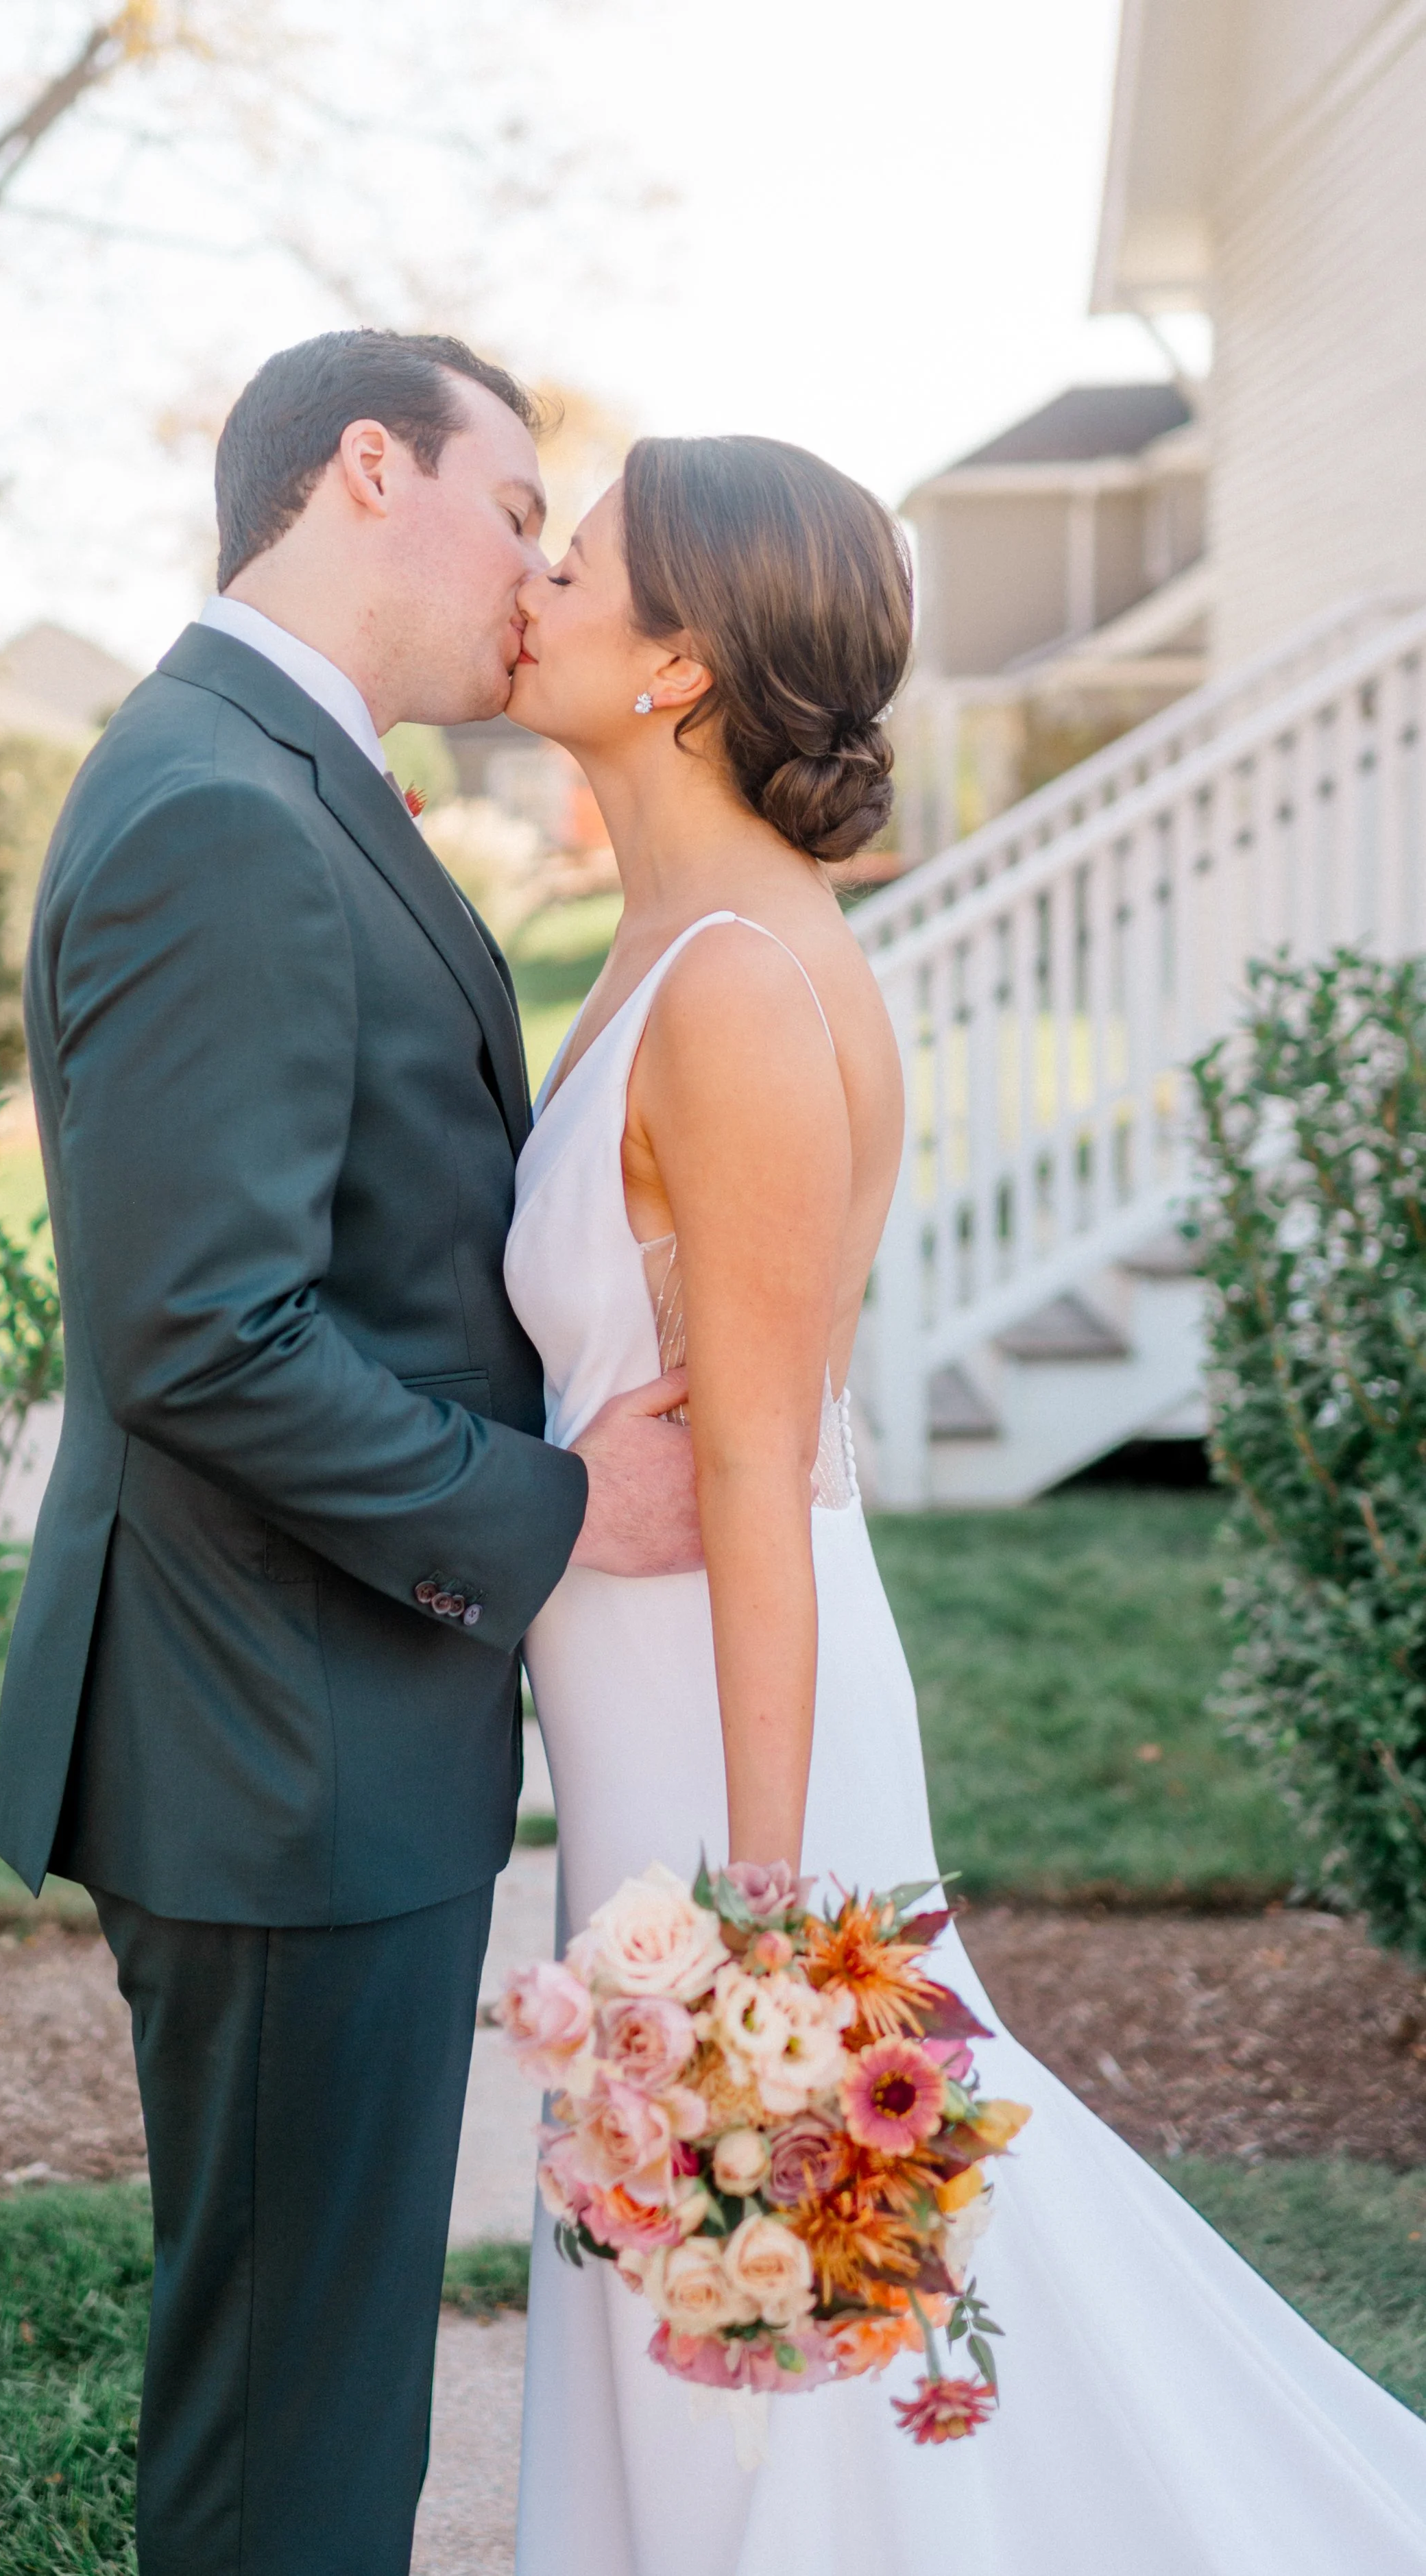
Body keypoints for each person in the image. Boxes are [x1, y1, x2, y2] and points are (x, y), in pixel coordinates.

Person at [503, 433, 1426, 2573]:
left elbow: (749, 1453)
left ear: (679, 666)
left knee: (791, 2225)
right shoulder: (673, 934)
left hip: (734, 1715)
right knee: (728, 2250)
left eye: (581, 558)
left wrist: (761, 1910)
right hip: (656, 1678)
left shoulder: (737, 983)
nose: (534, 580)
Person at [0, 330, 700, 2576]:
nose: (530, 566)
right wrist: (557, 1513)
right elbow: (203, 1332)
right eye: (515, 506)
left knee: (313, 2381)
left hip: (295, 1721)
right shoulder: (222, 802)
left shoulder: (276, 772)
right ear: (365, 469)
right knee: (293, 2419)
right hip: (266, 1741)